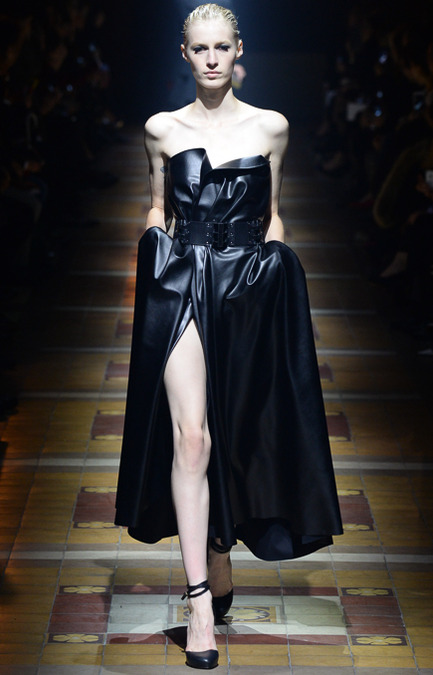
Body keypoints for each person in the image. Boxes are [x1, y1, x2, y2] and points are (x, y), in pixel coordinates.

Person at [115, 4, 342, 669]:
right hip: (181, 286)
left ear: (238, 49)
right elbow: (158, 207)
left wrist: (275, 277)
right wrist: (153, 251)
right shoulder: (161, 129)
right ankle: (197, 604)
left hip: (248, 288)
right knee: (192, 436)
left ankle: (219, 546)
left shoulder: (271, 127)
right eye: (199, 48)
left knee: (238, 434)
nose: (211, 59)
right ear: (183, 54)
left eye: (221, 47)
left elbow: (274, 214)